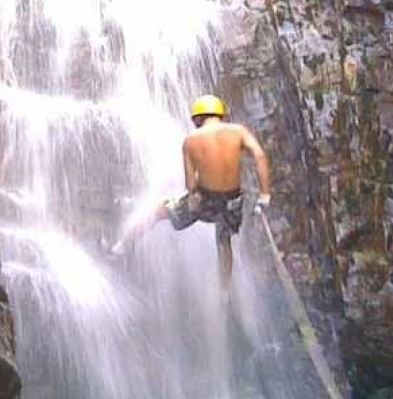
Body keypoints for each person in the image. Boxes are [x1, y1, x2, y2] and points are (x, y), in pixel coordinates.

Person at [110, 95, 272, 294]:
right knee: (224, 240)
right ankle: (225, 294)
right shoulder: (239, 131)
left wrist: (195, 197)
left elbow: (191, 185)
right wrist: (264, 195)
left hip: (206, 199)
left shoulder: (191, 141)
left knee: (159, 211)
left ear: (197, 118)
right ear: (220, 113)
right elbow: (260, 155)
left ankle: (123, 244)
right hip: (232, 200)